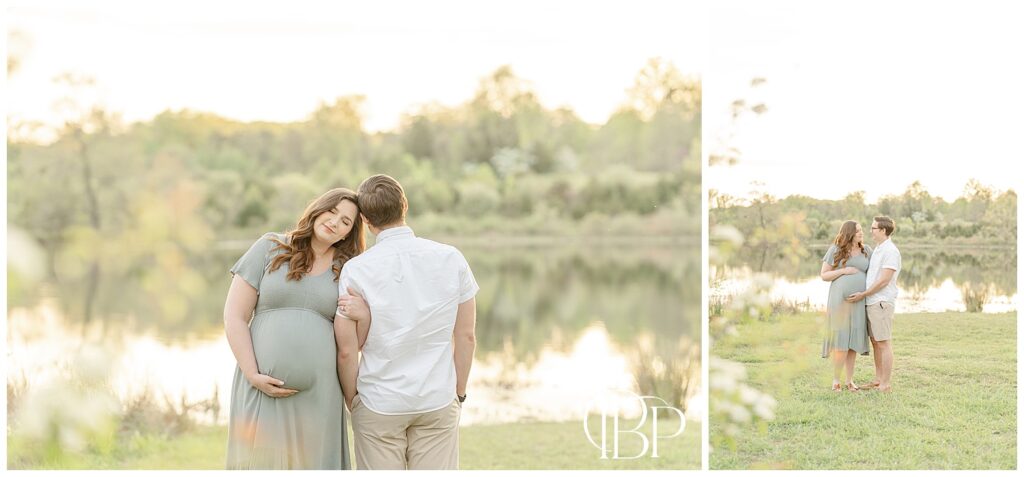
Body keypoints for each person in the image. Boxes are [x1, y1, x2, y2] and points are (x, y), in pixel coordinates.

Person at [335, 174, 479, 470]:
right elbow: (466, 336)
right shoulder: (451, 258)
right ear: (405, 206)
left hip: (379, 402)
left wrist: (354, 402)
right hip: (437, 397)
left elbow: (348, 351)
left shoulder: (356, 270)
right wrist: (458, 392)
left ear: (365, 220)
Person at [223, 188, 370, 469]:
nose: (335, 222)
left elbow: (355, 343)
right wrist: (252, 373)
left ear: (348, 234)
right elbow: (234, 316)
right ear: (318, 209)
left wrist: (363, 314)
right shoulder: (269, 247)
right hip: (259, 386)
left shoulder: (347, 269)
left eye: (345, 222)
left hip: (320, 394)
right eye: (332, 211)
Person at [846, 216, 901, 393]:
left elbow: (884, 280)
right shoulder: (878, 249)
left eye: (874, 228)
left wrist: (863, 294)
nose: (870, 231)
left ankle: (885, 384)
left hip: (881, 302)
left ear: (883, 231)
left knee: (884, 343)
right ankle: (878, 380)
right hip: (872, 302)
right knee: (876, 342)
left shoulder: (890, 251)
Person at [820, 220, 872, 392]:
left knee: (853, 342)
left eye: (861, 230)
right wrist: (843, 271)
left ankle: (850, 381)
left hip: (858, 302)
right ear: (849, 233)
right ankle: (836, 380)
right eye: (857, 231)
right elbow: (824, 275)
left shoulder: (867, 251)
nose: (861, 233)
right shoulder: (835, 250)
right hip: (839, 302)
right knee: (841, 341)